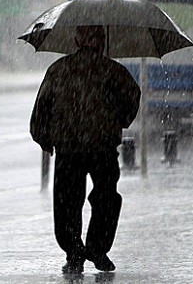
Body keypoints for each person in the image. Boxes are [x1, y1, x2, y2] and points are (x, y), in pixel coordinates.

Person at [30, 25, 140, 274]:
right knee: (106, 198)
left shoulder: (58, 70)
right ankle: (97, 249)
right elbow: (132, 98)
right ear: (102, 41)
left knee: (67, 201)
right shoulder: (113, 71)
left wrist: (44, 138)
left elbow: (41, 108)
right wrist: (118, 121)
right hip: (102, 147)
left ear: (76, 39)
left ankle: (74, 252)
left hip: (69, 148)